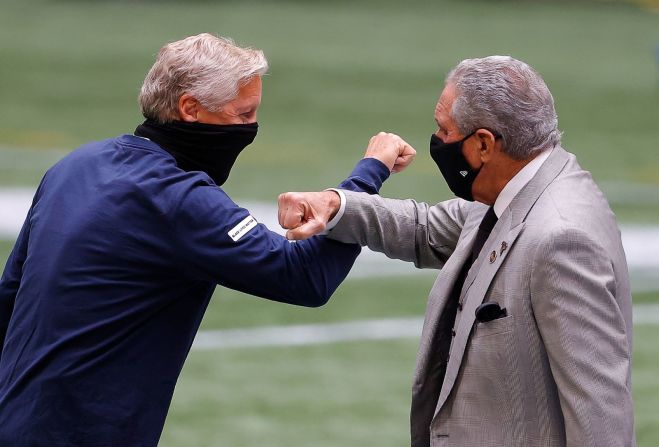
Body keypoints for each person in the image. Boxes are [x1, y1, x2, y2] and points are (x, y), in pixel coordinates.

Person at [0, 33, 413, 446]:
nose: (251, 128)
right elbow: (305, 277)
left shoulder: (73, 167)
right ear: (190, 109)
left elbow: (10, 294)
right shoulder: (179, 200)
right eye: (244, 113)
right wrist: (365, 178)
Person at [278, 56, 635, 446]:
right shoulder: (514, 189)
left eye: (444, 131)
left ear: (483, 143)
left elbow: (601, 415)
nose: (437, 142)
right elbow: (426, 229)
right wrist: (335, 206)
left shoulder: (561, 239)